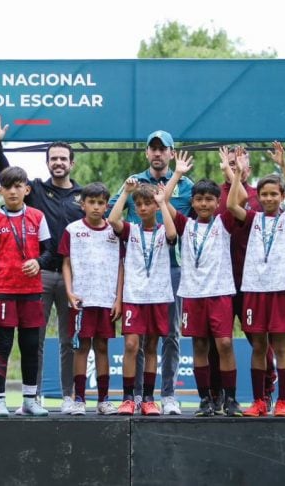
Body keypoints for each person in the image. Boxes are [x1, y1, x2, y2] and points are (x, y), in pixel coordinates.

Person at [0, 114, 84, 413]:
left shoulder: (84, 197)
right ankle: (34, 397)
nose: (58, 162)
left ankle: (69, 398)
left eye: (63, 158)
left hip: (72, 278)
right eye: (54, 158)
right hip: (38, 276)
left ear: (71, 163)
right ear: (47, 163)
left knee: (69, 340)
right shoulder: (36, 190)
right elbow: (7, 176)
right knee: (34, 341)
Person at [107, 130, 192, 415]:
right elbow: (111, 215)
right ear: (146, 152)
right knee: (136, 341)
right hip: (137, 268)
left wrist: (173, 184)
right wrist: (127, 191)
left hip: (171, 267)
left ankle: (166, 395)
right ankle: (136, 395)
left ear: (170, 153)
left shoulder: (186, 184)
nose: (157, 153)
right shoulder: (134, 182)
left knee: (170, 335)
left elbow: (190, 225)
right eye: (152, 148)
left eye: (162, 148)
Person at [159, 151, 242, 417]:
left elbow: (237, 200)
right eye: (199, 199)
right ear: (192, 202)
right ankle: (205, 399)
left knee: (225, 344)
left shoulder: (224, 223)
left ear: (217, 203)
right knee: (199, 346)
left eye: (209, 199)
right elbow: (164, 199)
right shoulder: (185, 225)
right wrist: (177, 173)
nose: (204, 203)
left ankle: (230, 399)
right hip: (193, 294)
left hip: (220, 293)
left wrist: (233, 172)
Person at [227, 143, 285, 417]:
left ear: (282, 196)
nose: (269, 198)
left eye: (274, 194)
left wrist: (284, 166)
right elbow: (231, 204)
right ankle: (259, 400)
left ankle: (283, 401)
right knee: (259, 346)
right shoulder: (253, 219)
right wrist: (237, 173)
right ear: (258, 197)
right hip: (254, 290)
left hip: (280, 290)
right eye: (264, 194)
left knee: (280, 345)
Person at [0, 166, 56, 417]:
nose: (13, 191)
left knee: (30, 346)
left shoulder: (37, 216)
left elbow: (50, 251)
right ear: (0, 190)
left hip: (32, 292)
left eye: (18, 186)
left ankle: (30, 401)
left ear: (27, 189)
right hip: (4, 291)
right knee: (3, 345)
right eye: (8, 187)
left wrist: (39, 262)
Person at [215, 145, 276, 412]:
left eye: (240, 164)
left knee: (258, 339)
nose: (236, 167)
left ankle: (266, 391)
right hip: (217, 283)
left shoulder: (258, 196)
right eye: (230, 163)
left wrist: (235, 174)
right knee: (219, 341)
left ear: (248, 169)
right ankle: (217, 394)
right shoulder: (212, 194)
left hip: (250, 282)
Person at [108, 179, 177, 416]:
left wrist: (163, 202)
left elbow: (172, 233)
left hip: (158, 296)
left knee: (151, 347)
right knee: (131, 345)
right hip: (134, 296)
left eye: (148, 203)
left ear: (155, 206)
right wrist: (126, 192)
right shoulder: (131, 230)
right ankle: (128, 398)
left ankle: (148, 398)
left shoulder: (163, 230)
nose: (143, 208)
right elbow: (113, 220)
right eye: (139, 204)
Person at [59, 182, 123, 416]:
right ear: (83, 204)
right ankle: (79, 399)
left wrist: (118, 299)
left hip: (106, 299)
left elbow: (121, 266)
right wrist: (69, 291)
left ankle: (104, 400)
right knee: (81, 348)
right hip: (81, 300)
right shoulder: (72, 230)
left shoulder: (115, 231)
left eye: (100, 203)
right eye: (91, 202)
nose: (96, 207)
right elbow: (66, 263)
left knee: (102, 347)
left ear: (107, 206)